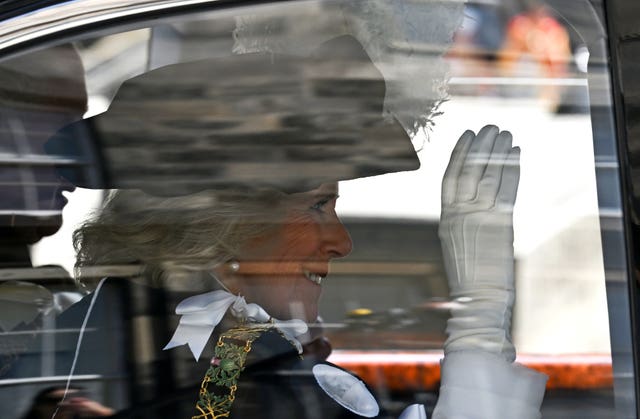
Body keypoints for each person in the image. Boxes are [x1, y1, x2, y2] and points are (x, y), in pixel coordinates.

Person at [46, 36, 546, 418]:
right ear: (222, 230)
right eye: (318, 207)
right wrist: (478, 328)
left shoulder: (183, 343)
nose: (341, 243)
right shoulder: (223, 369)